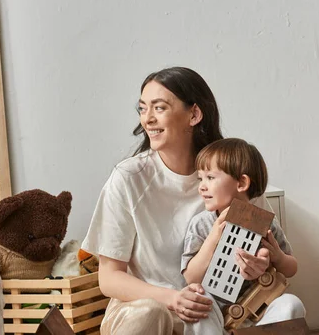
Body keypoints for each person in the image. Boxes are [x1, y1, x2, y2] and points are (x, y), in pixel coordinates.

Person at [82, 67, 268, 335]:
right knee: (150, 312)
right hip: (144, 311)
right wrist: (171, 298)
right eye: (143, 108)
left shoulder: (233, 172)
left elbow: (269, 252)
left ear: (194, 114)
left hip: (215, 311)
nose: (147, 119)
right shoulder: (128, 178)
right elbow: (109, 278)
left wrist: (260, 264)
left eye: (159, 108)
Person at [181, 138, 305, 327]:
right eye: (201, 178)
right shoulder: (201, 224)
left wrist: (277, 257)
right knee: (198, 298)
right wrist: (215, 235)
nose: (202, 186)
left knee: (292, 304)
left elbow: (291, 268)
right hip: (216, 315)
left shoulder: (265, 222)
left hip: (260, 309)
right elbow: (191, 277)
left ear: (241, 183)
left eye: (210, 177)